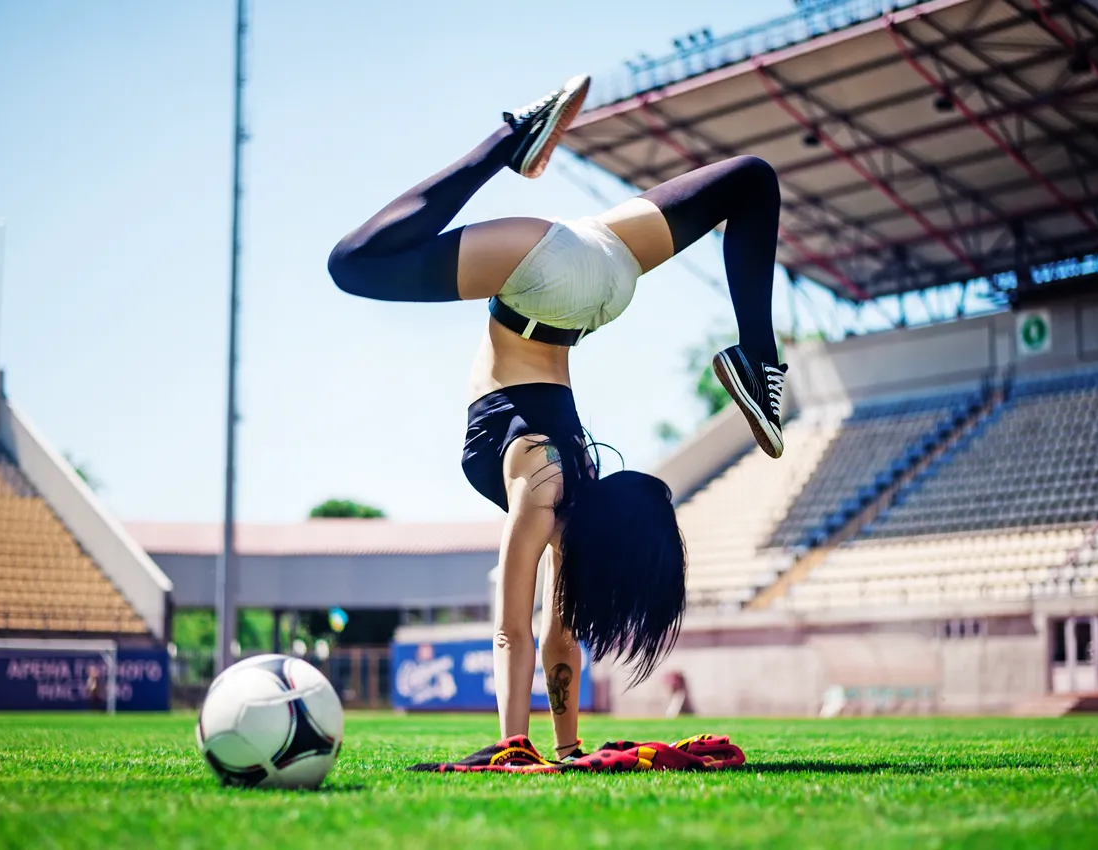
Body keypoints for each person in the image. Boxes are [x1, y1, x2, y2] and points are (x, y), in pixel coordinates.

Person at [328, 74, 786, 760]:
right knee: (353, 264)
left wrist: (566, 749)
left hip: (604, 275)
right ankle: (509, 141)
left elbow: (549, 630)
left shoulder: (574, 487)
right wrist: (516, 743)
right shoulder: (548, 486)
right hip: (550, 279)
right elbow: (516, 625)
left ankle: (762, 360)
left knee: (751, 181)